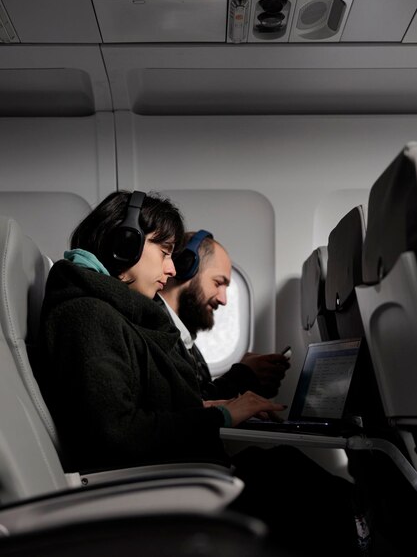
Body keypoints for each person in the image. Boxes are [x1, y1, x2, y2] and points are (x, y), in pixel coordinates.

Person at [32, 190, 358, 556]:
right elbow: (115, 434)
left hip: (172, 473)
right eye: (165, 251)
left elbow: (146, 405)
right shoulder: (86, 317)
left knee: (289, 469)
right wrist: (219, 414)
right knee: (304, 492)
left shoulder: (116, 313)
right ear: (125, 244)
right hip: (153, 487)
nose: (170, 270)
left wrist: (212, 407)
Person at [158, 230, 290, 400]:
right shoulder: (156, 332)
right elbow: (186, 413)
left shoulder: (186, 342)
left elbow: (201, 400)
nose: (223, 299)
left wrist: (248, 389)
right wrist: (241, 375)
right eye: (218, 283)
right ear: (186, 266)